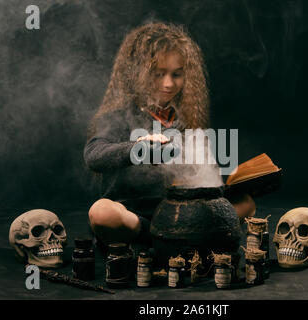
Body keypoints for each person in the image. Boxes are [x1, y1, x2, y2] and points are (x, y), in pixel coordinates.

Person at [83, 22, 256, 248]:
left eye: (177, 74)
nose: (168, 83)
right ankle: (172, 239)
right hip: (135, 216)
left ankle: (174, 237)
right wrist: (137, 148)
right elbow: (94, 155)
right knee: (102, 212)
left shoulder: (185, 121)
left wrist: (220, 180)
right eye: (158, 74)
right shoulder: (119, 116)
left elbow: (195, 178)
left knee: (245, 203)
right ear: (138, 73)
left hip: (180, 214)